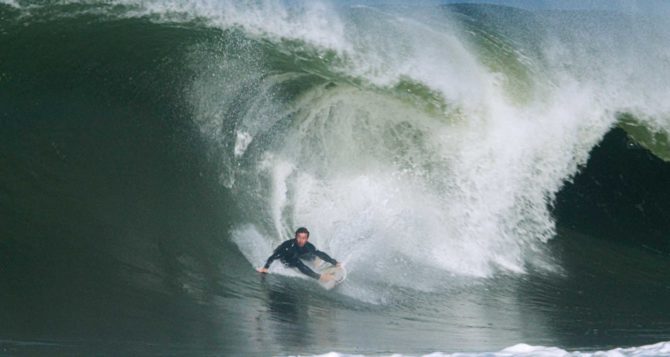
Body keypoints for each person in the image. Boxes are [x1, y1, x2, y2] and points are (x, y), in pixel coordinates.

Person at [257, 227, 340, 282]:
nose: (301, 240)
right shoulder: (288, 246)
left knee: (312, 254)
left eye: (304, 238)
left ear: (307, 239)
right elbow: (273, 256)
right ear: (295, 236)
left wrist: (334, 262)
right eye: (299, 237)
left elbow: (320, 253)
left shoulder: (308, 245)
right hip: (286, 256)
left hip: (298, 253)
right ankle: (320, 277)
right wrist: (265, 268)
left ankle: (315, 262)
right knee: (297, 262)